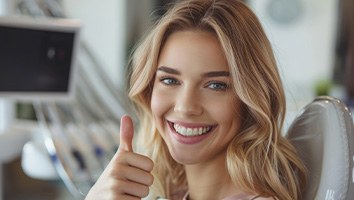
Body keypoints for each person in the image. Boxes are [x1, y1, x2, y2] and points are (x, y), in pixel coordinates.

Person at [85, 0, 307, 199]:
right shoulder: (173, 193)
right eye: (170, 80)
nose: (185, 107)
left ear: (251, 99)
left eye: (216, 85)